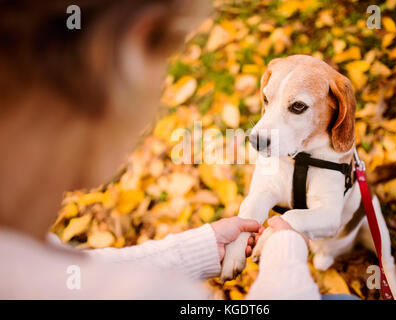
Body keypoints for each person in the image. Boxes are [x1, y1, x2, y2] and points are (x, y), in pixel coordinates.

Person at [0, 0, 341, 300]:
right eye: (166, 58)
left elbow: (69, 267)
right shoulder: (150, 295)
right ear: (135, 46)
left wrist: (195, 249)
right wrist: (286, 249)